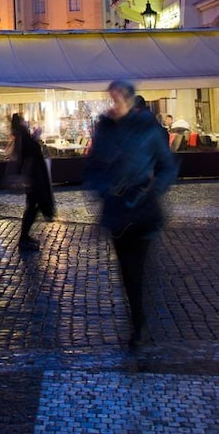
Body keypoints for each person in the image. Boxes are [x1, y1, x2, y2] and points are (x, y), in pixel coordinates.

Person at [86, 79, 178, 349]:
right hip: (116, 208)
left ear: (128, 100)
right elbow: (92, 167)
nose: (113, 103)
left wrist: (154, 190)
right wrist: (103, 189)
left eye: (117, 98)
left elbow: (167, 166)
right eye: (111, 98)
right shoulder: (104, 129)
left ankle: (140, 326)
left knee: (136, 266)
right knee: (127, 269)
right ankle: (138, 319)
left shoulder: (147, 128)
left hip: (142, 206)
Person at [11, 113, 55, 250]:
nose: (26, 122)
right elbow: (29, 153)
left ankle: (25, 237)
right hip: (33, 178)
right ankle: (23, 238)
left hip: (34, 177)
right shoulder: (22, 136)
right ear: (20, 123)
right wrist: (35, 138)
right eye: (24, 120)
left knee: (33, 206)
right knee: (32, 207)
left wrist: (34, 138)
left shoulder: (22, 135)